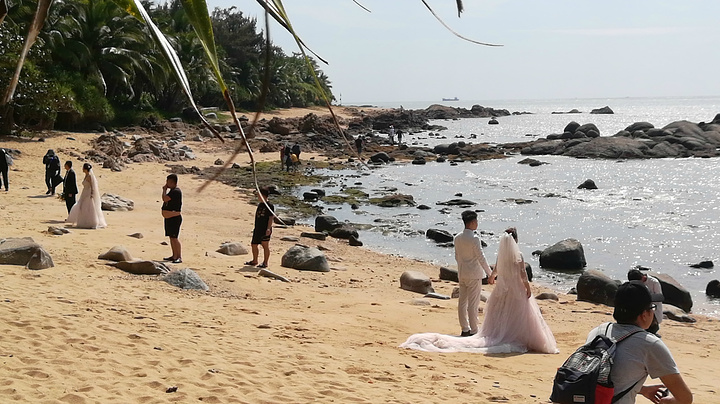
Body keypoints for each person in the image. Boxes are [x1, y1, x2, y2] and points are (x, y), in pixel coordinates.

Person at [400, 228, 558, 354]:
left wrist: (492, 277)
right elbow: (523, 274)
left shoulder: (502, 255)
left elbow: (496, 270)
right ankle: (517, 336)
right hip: (516, 288)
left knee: (502, 314)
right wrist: (527, 287)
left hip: (502, 288)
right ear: (515, 240)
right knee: (519, 315)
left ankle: (499, 333)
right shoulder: (519, 255)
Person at [585, 281, 693, 404]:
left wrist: (642, 389)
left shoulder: (598, 331)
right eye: (652, 307)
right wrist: (667, 401)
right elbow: (685, 398)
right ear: (644, 314)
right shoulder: (650, 344)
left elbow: (600, 378)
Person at [66, 163, 107, 229]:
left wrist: (92, 193)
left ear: (85, 169)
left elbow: (92, 186)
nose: (82, 169)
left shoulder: (90, 176)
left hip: (88, 193)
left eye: (83, 168)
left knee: (88, 207)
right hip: (84, 192)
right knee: (82, 206)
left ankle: (91, 222)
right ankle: (84, 221)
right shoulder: (86, 175)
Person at [628, 269, 664, 335]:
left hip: (653, 311)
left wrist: (645, 298)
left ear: (642, 277)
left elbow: (660, 297)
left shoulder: (654, 282)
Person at [245, 186, 274, 268]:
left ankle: (265, 262)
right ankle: (255, 260)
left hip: (265, 228)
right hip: (258, 228)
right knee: (254, 244)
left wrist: (268, 228)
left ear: (263, 195)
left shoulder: (270, 205)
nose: (258, 196)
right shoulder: (260, 204)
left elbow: (271, 218)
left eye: (259, 195)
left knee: (265, 245)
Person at [161, 174, 183, 263]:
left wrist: (164, 190)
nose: (167, 184)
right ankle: (174, 256)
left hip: (174, 218)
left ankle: (179, 256)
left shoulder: (175, 191)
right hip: (169, 218)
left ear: (173, 182)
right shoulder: (172, 191)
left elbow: (165, 198)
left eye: (168, 182)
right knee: (171, 238)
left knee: (175, 238)